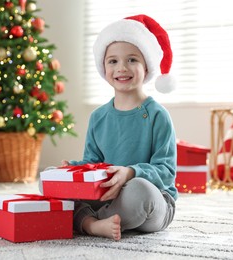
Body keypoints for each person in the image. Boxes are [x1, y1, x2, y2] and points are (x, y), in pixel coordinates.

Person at [64, 14, 178, 241]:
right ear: (103, 67)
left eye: (132, 60)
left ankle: (88, 222)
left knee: (140, 191)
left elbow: (165, 171)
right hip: (106, 194)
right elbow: (92, 163)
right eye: (113, 61)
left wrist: (129, 173)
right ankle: (96, 224)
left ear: (147, 66)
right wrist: (71, 170)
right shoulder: (98, 117)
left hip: (153, 201)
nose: (122, 68)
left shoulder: (158, 115)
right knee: (49, 179)